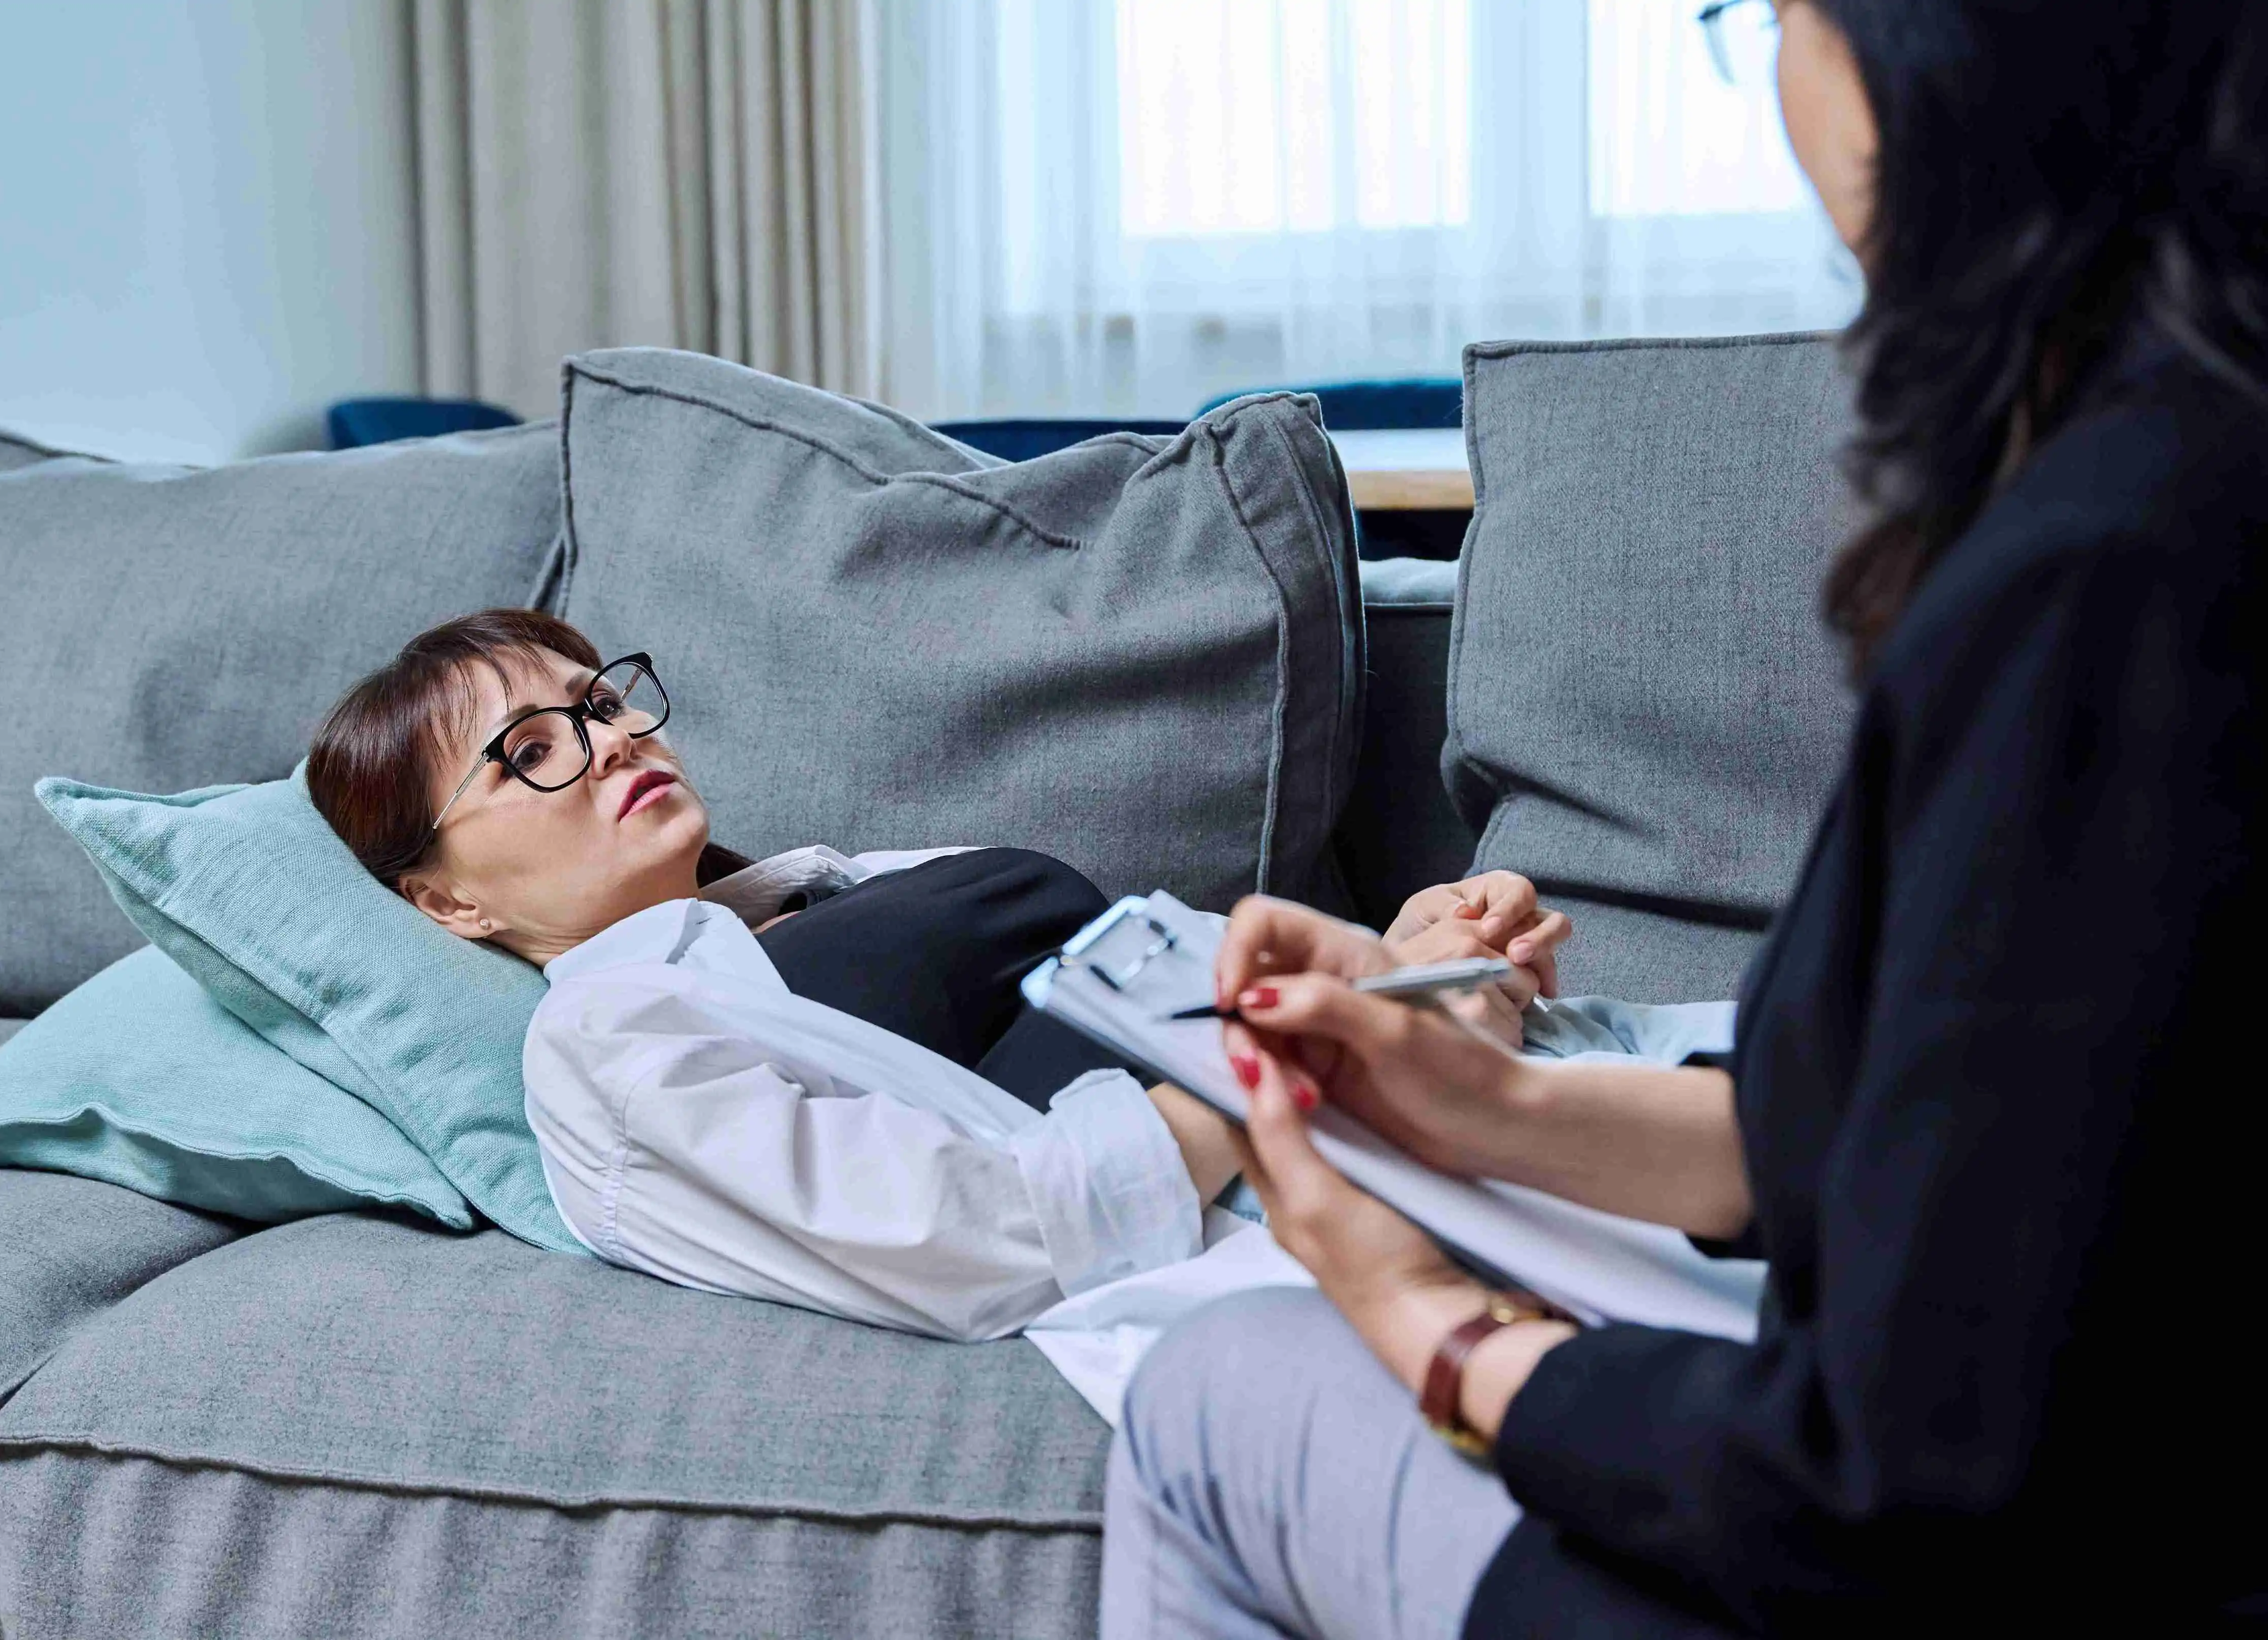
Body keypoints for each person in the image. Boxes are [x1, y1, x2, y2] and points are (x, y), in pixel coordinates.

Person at [1102, 2, 2267, 1634]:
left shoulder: (2107, 577)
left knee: (1216, 1392)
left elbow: (1891, 1490)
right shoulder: (2150, 481)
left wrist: (1433, 1324)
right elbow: (1898, 1142)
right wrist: (1476, 1101)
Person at [308, 607, 1620, 1351]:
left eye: (602, 704)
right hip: (1342, 1228)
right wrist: (1355, 1025)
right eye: (532, 749)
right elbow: (971, 1234)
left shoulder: (831, 889)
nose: (605, 745)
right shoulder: (611, 1039)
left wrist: (1442, 964)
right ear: (446, 900)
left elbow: (1222, 994)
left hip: (1451, 1127)